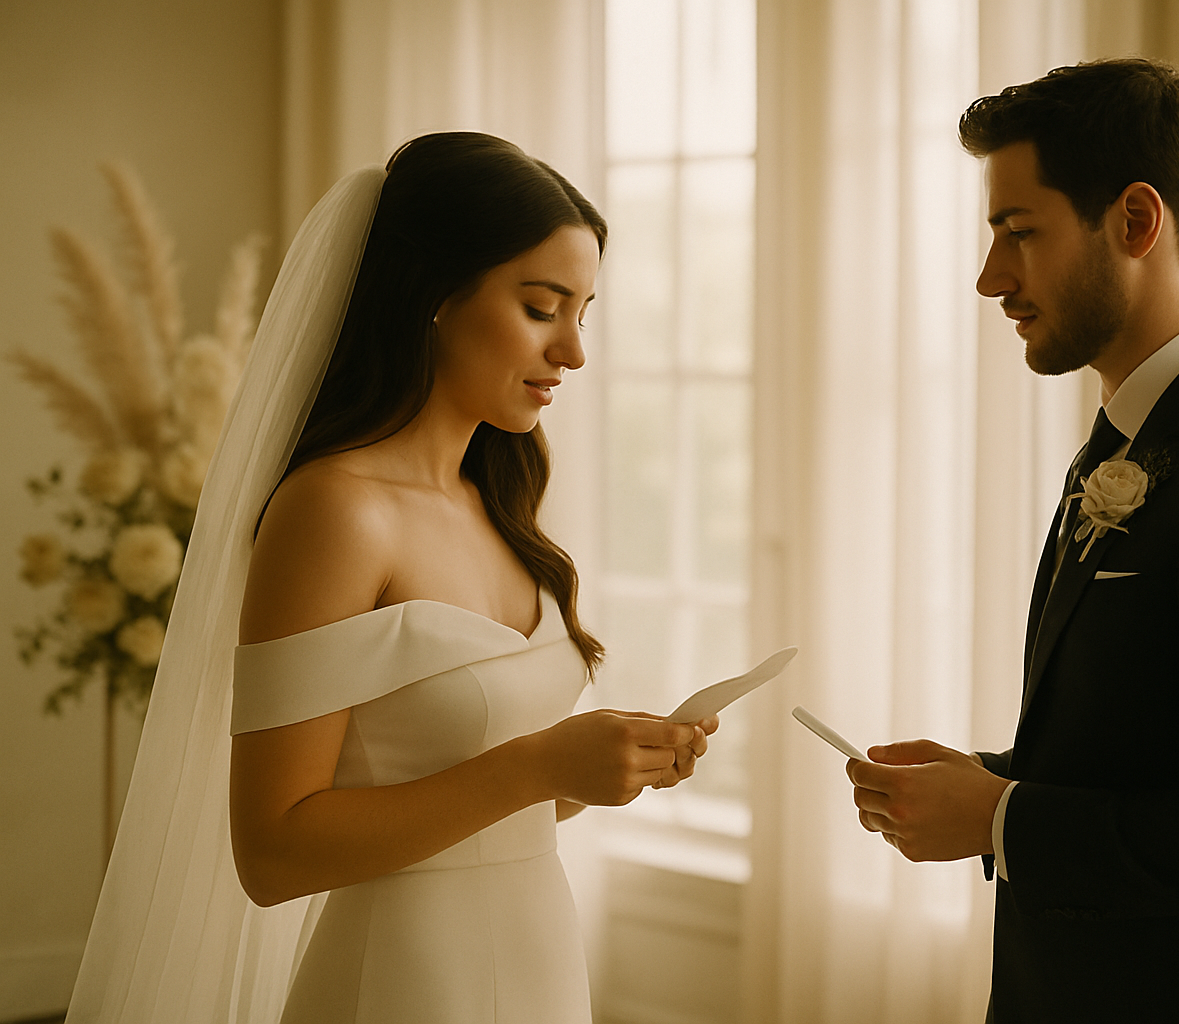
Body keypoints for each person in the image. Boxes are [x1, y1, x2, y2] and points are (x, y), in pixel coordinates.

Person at [67, 133, 715, 1024]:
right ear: (436, 299)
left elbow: (473, 800)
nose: (573, 351)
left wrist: (602, 767)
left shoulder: (499, 501)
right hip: (401, 985)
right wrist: (537, 765)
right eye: (541, 307)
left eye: (584, 312)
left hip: (540, 969)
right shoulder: (334, 511)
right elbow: (273, 853)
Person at [845, 59, 1179, 1023]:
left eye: (1019, 234)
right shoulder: (1129, 440)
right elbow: (1160, 752)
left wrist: (1004, 820)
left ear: (1138, 222)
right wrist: (986, 785)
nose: (989, 278)